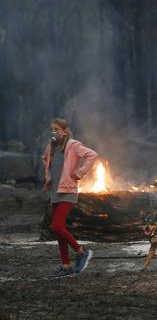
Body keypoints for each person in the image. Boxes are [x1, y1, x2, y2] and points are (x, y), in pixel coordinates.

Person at [42, 118, 98, 277]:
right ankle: (65, 266)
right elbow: (45, 158)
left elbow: (92, 155)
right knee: (59, 231)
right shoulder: (51, 146)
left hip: (68, 191)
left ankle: (81, 252)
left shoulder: (73, 145)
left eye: (56, 129)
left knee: (57, 226)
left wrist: (79, 173)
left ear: (64, 131)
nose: (53, 132)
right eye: (51, 129)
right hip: (55, 191)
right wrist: (49, 177)